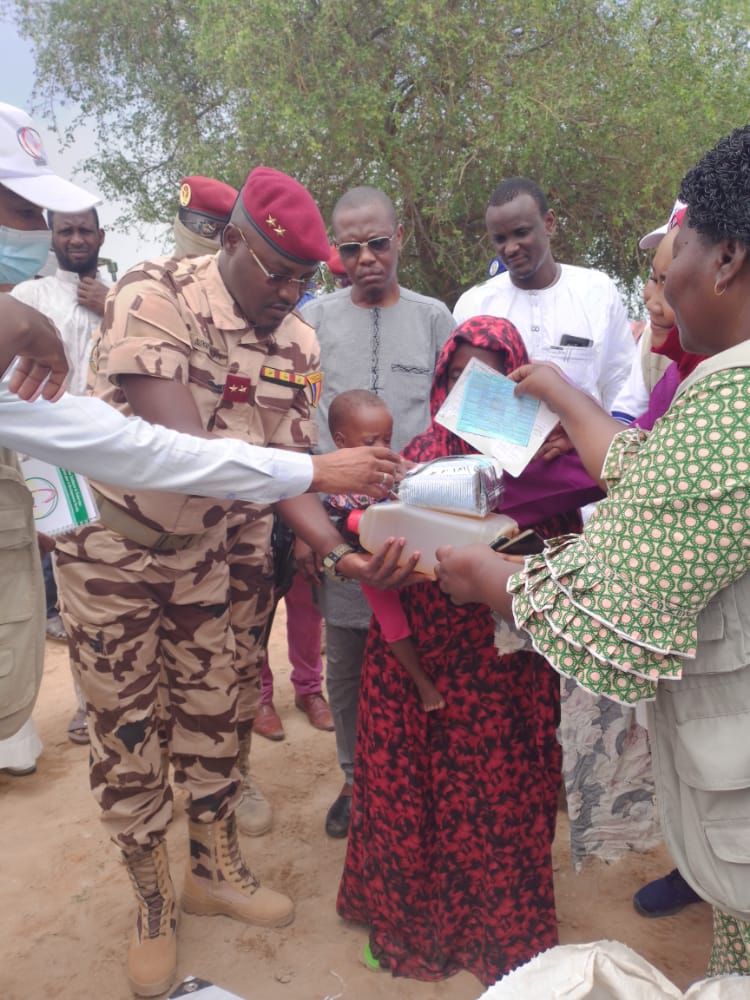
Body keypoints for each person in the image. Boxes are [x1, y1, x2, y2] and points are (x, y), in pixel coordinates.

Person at [52, 164, 408, 998]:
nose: (291, 291)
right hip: (119, 554)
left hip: (218, 558)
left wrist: (341, 556)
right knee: (128, 729)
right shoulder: (154, 295)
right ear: (233, 241)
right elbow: (189, 457)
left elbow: (283, 483)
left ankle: (212, 866)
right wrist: (321, 468)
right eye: (278, 272)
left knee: (217, 718)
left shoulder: (300, 343)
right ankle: (152, 897)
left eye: (303, 279)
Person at [435, 125, 750, 978]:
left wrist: (482, 573)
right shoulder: (724, 395)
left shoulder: (733, 404)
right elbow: (655, 472)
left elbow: (616, 609)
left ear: (723, 259)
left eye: (673, 249)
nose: (666, 278)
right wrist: (570, 399)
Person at [337, 315, 581, 985]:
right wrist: (373, 560)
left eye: (496, 380)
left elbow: (562, 571)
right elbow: (352, 533)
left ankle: (497, 936)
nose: (478, 393)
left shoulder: (552, 469)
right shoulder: (412, 460)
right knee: (411, 795)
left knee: (495, 801)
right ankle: (406, 920)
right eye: (461, 377)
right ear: (444, 383)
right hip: (421, 669)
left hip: (502, 674)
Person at [302, 185, 455, 837]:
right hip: (335, 524)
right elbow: (297, 425)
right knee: (346, 657)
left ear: (399, 237)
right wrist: (312, 530)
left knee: (422, 650)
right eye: (351, 247)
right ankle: (353, 779)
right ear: (337, 250)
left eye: (378, 243)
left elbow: (453, 417)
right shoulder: (311, 322)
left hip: (416, 524)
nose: (367, 257)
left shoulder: (432, 318)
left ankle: (424, 781)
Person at [11, 202, 108, 733]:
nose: (75, 238)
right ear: (51, 235)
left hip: (115, 455)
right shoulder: (31, 296)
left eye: (84, 230)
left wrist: (112, 306)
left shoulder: (125, 293)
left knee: (120, 584)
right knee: (74, 591)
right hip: (56, 464)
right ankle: (86, 703)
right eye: (65, 230)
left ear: (101, 234)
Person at [453, 176, 634, 410]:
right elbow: (462, 395)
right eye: (500, 239)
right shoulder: (474, 305)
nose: (510, 248)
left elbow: (621, 383)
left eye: (521, 233)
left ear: (549, 223)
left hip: (584, 443)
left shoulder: (597, 292)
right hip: (497, 444)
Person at [326, 389, 444, 712]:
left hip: (405, 550)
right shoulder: (336, 483)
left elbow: (418, 481)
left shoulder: (389, 467)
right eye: (370, 442)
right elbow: (338, 525)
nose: (381, 449)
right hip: (372, 564)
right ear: (340, 441)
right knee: (394, 623)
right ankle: (422, 683)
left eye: (387, 440)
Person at [172, 175, 237, 258]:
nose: (217, 241)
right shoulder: (155, 269)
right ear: (181, 225)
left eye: (226, 233)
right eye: (206, 228)